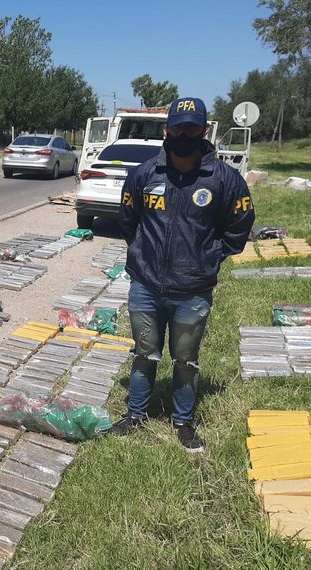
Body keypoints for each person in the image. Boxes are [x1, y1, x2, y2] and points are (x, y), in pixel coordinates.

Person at [114, 97, 255, 452]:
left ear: (205, 130)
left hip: (192, 290)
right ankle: (135, 415)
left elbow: (239, 226)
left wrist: (209, 257)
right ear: (167, 130)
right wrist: (144, 256)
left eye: (192, 127)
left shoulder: (225, 179)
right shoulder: (144, 174)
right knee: (144, 354)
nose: (184, 133)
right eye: (178, 127)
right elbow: (129, 223)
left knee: (186, 360)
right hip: (146, 285)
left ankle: (183, 422)